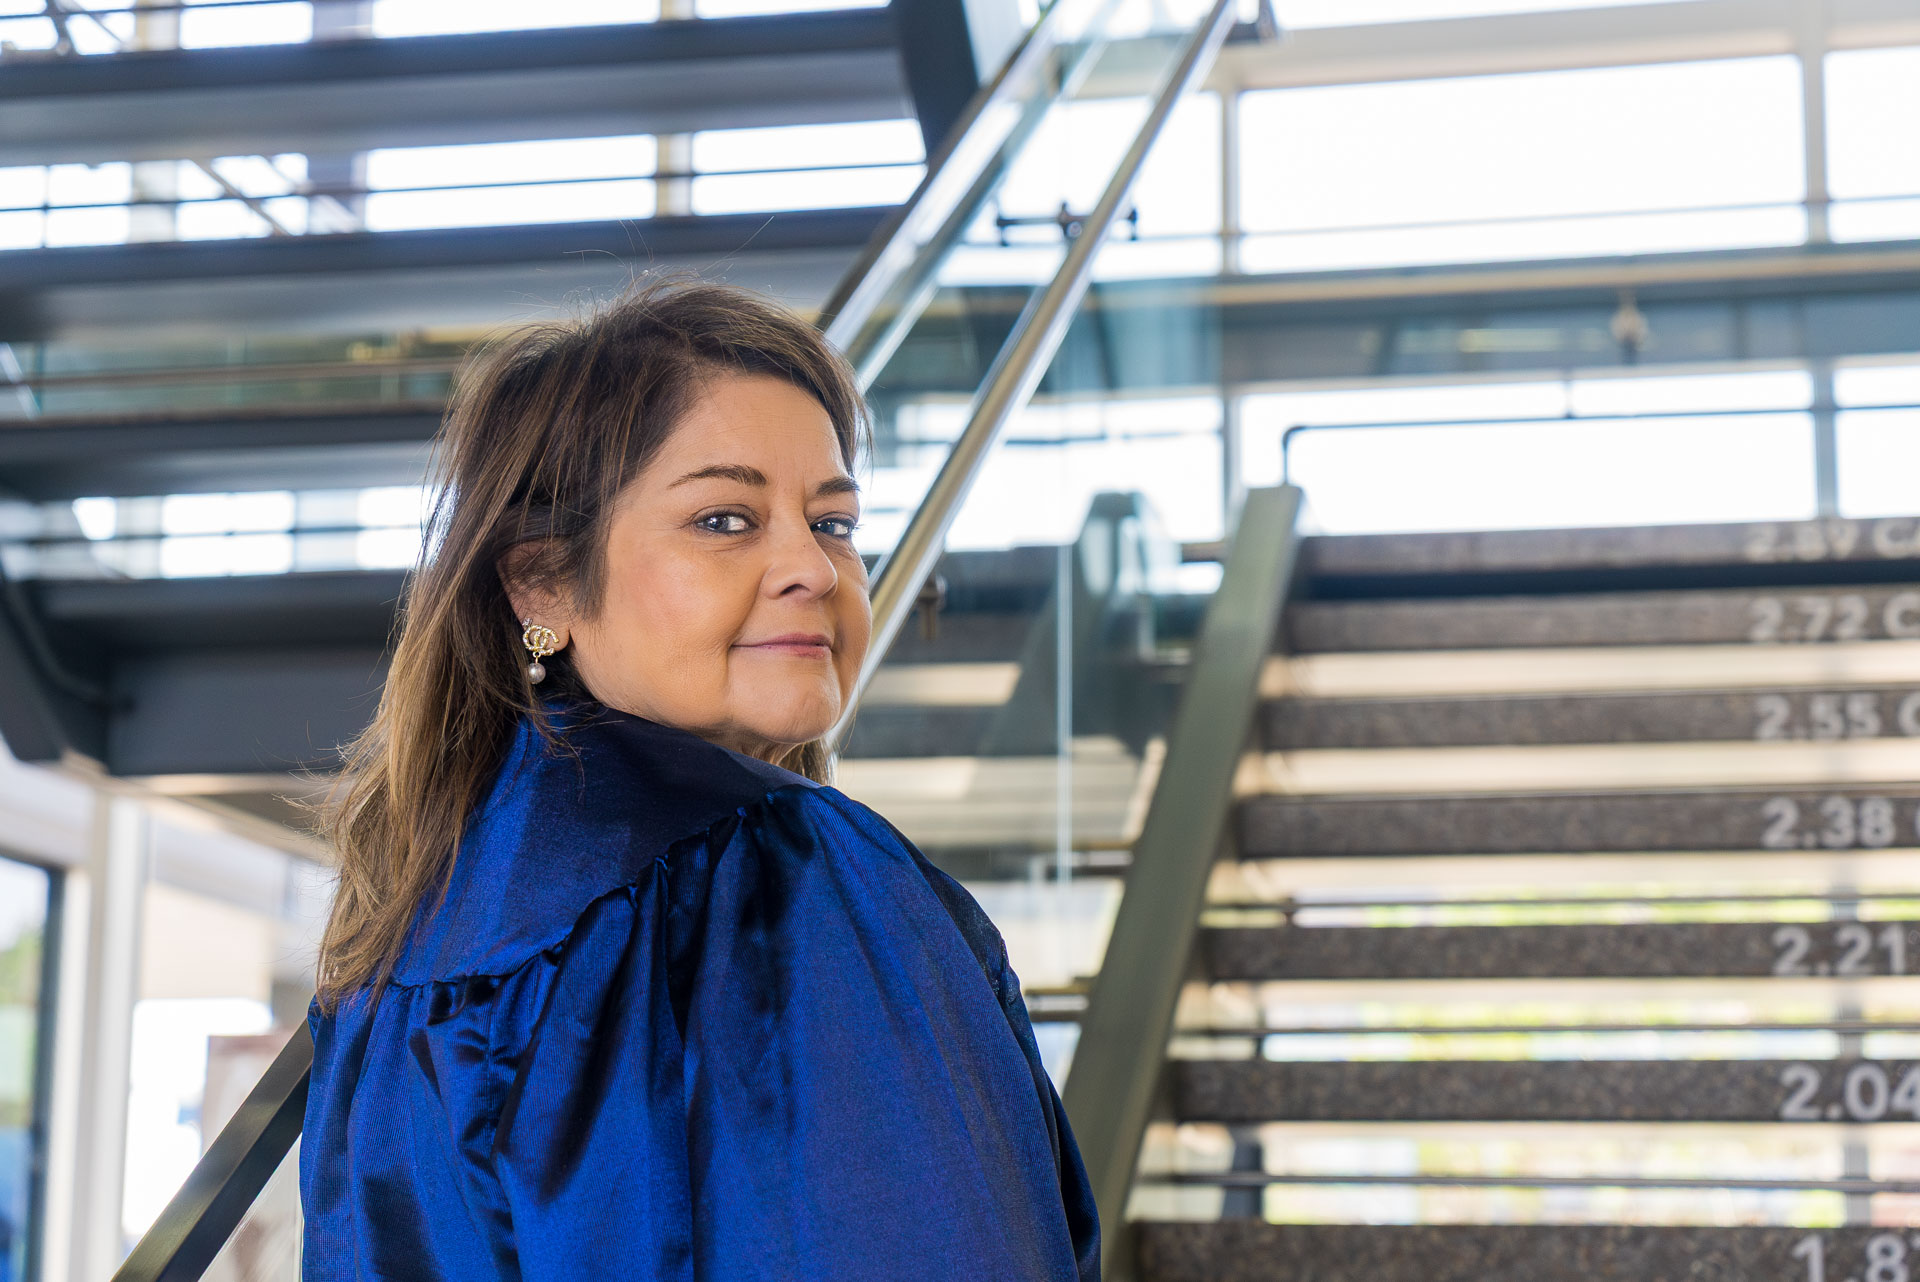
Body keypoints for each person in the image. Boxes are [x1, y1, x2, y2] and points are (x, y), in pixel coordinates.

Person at [296, 278, 1101, 1280]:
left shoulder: (405, 930)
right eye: (724, 520)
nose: (814, 568)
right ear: (543, 583)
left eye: (834, 523)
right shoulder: (772, 878)